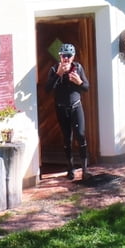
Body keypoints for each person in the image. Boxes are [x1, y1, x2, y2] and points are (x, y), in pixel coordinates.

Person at [44, 42, 90, 180]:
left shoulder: (78, 68)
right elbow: (47, 89)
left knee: (81, 135)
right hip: (61, 109)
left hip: (76, 107)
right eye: (64, 55)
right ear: (60, 56)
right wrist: (58, 74)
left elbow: (87, 87)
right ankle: (70, 169)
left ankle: (85, 170)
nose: (66, 58)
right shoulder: (54, 69)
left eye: (69, 56)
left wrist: (79, 83)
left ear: (73, 56)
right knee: (67, 138)